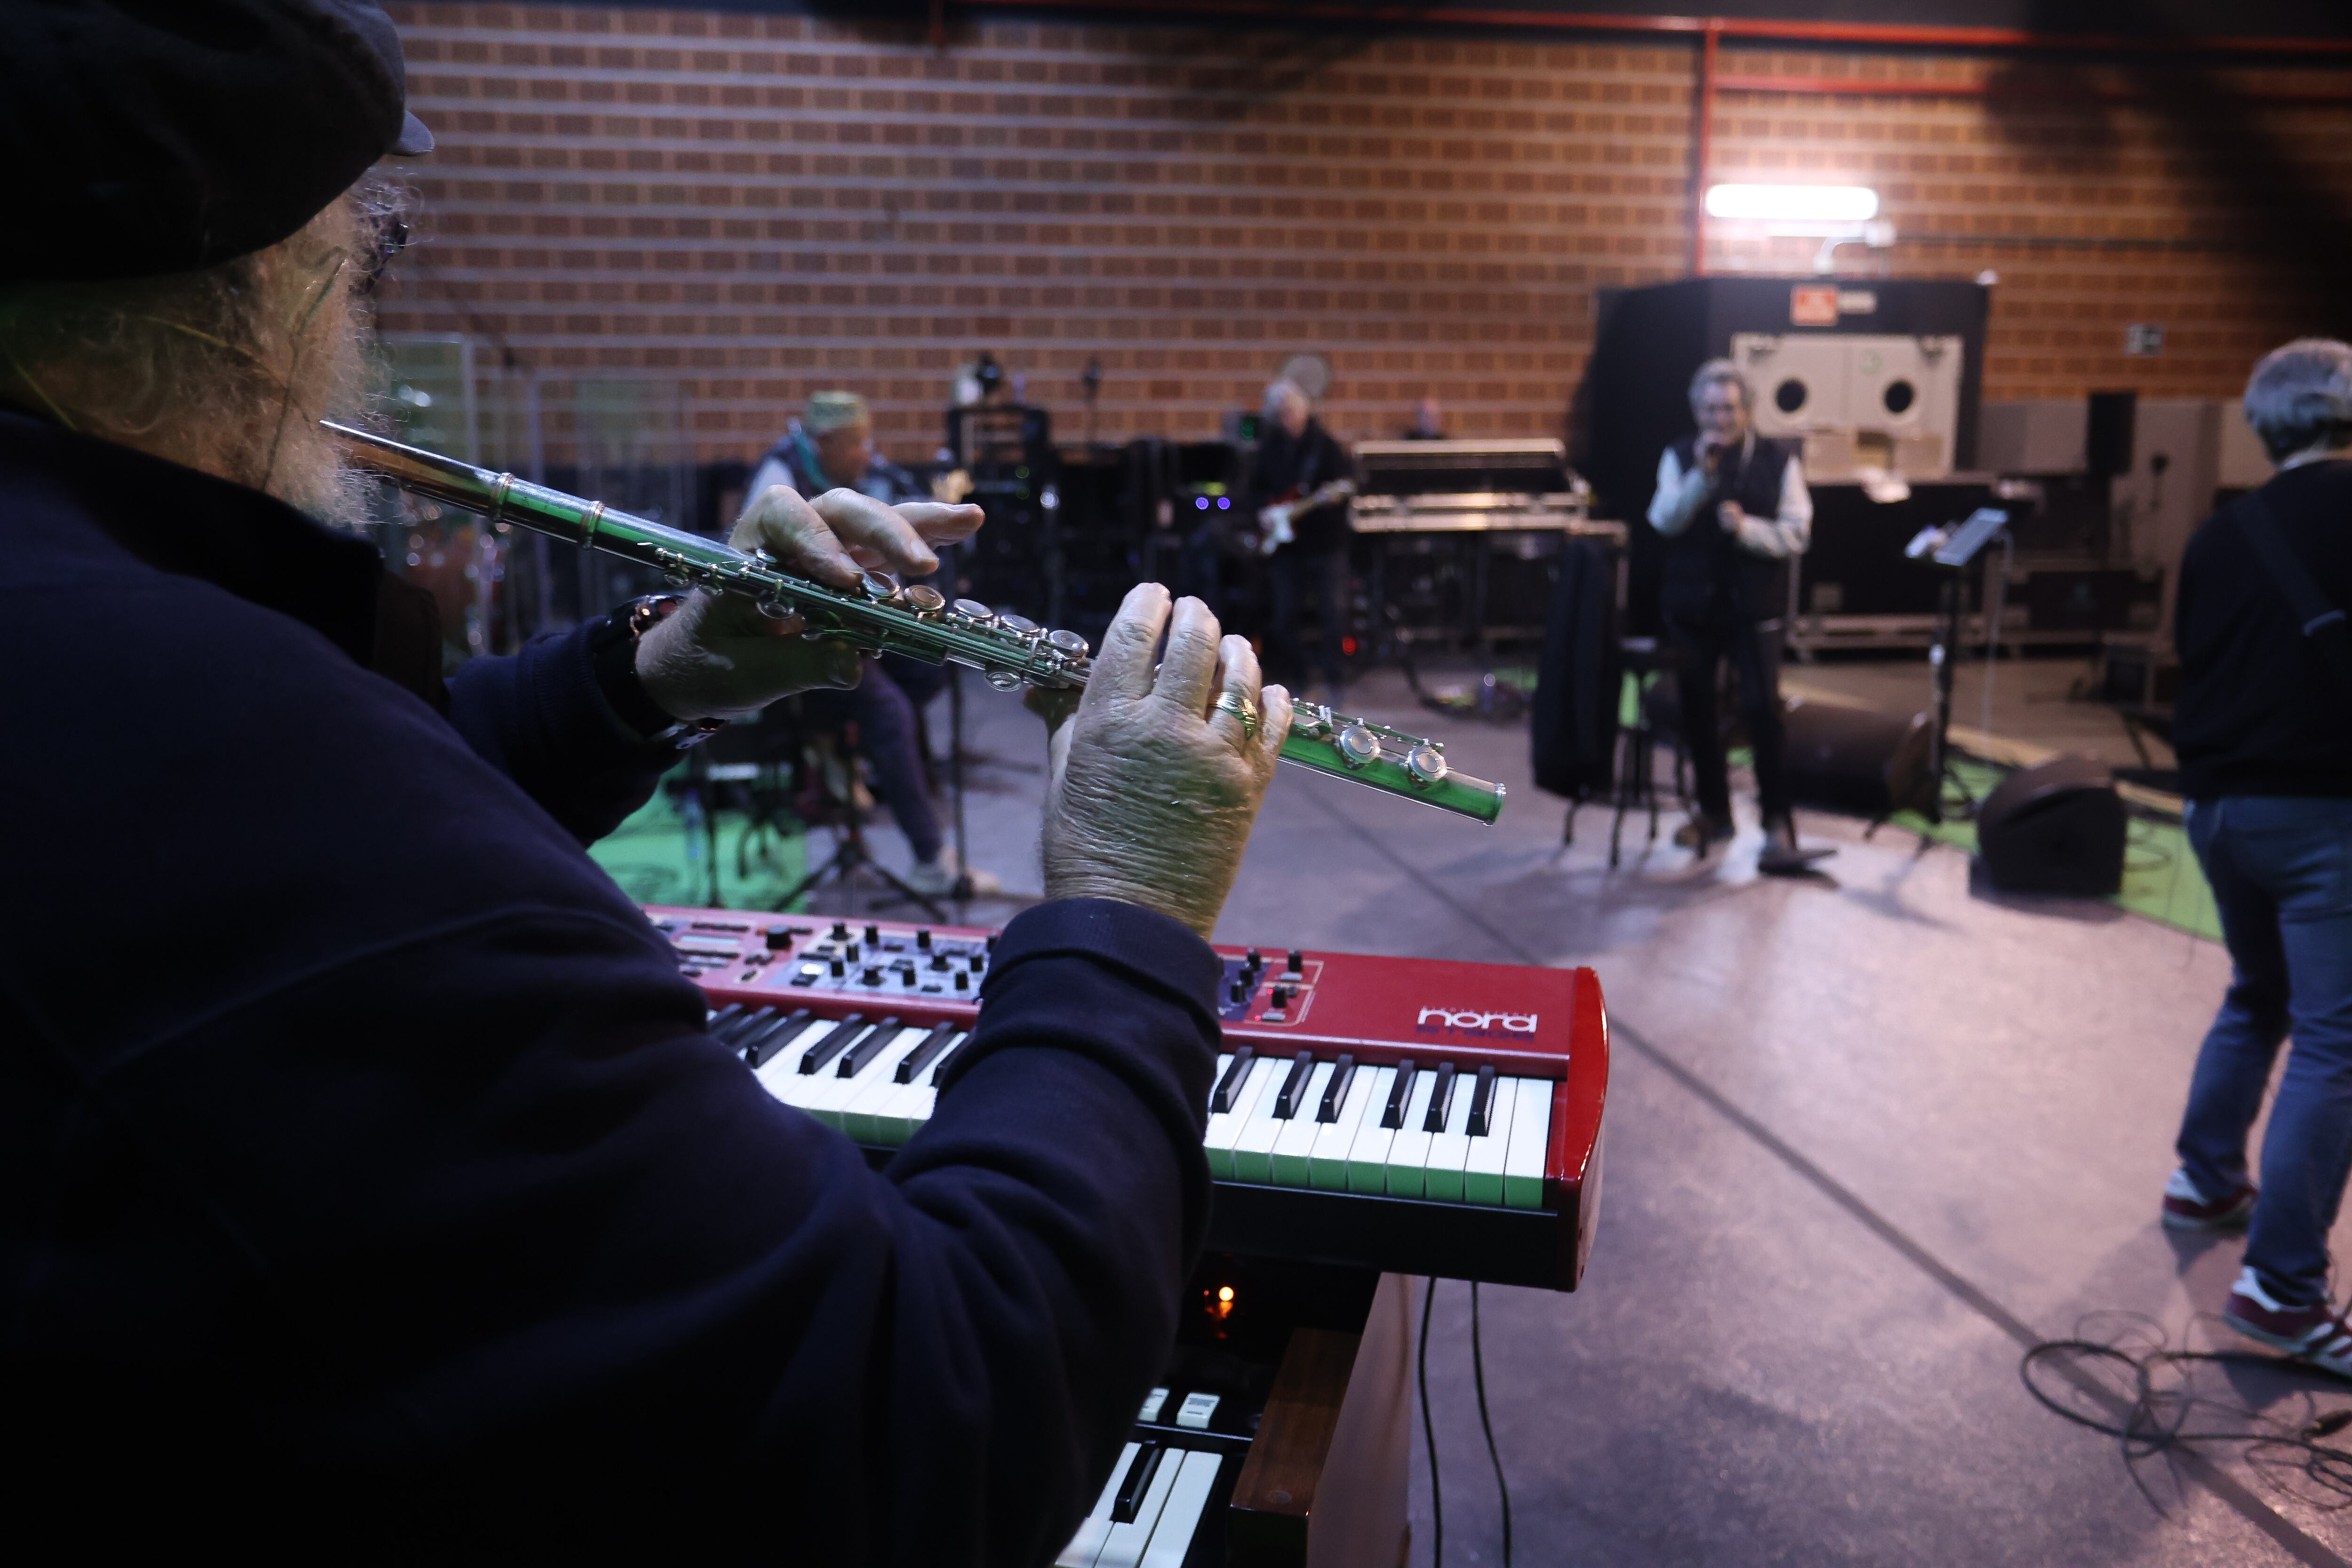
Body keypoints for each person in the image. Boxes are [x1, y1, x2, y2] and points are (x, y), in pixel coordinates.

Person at [0, 4, 1295, 1556]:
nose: (368, 315)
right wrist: (1129, 905)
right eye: (373, 249)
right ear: (253, 289)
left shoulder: (87, 655)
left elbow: (288, 857)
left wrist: (657, 671)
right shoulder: (194, 718)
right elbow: (934, 1417)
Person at [2159, 339, 2352, 1372]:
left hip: (2217, 813)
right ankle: (2282, 1289)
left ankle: (2205, 1179)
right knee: (2337, 1040)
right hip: (2323, 815)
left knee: (2256, 993)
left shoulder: (2219, 533)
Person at [746, 390, 1001, 897]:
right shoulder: (775, 481)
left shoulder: (843, 475)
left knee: (931, 666)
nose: (868, 453)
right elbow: (771, 579)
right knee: (890, 715)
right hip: (796, 643)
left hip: (846, 628)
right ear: (824, 442)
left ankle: (847, 754)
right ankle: (930, 859)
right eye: (858, 443)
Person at [1646, 358, 1831, 876]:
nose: (1718, 418)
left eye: (1728, 408)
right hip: (1692, 607)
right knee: (1697, 710)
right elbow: (1663, 520)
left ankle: (1775, 823)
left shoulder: (1778, 460)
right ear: (1696, 411)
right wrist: (1699, 481)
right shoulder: (1679, 456)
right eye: (1709, 408)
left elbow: (1797, 533)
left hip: (1754, 606)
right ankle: (1714, 815)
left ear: (1746, 410)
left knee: (1760, 709)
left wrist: (1748, 529)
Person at [1248, 377, 1355, 699]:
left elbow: (1344, 488)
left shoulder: (1326, 446)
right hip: (1287, 547)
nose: (1287, 419)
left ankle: (1335, 679)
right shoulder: (1270, 447)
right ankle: (1299, 679)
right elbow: (1253, 490)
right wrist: (1264, 512)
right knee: (1284, 618)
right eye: (1280, 413)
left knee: (1333, 613)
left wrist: (1329, 502)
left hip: (1325, 543)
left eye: (1292, 411)